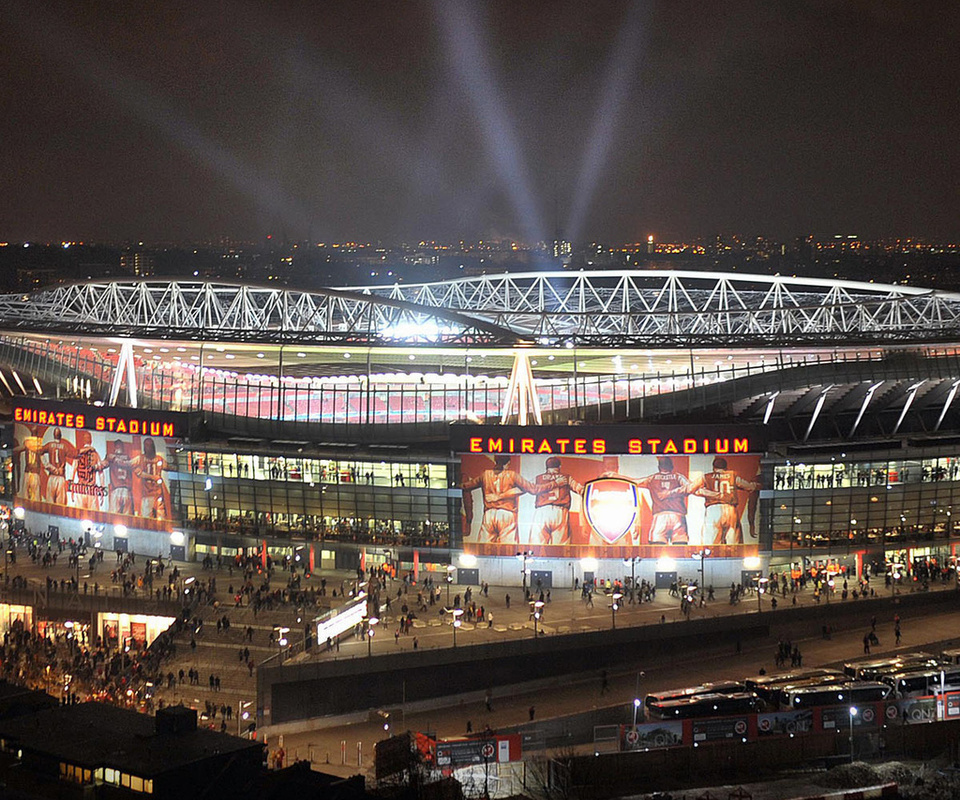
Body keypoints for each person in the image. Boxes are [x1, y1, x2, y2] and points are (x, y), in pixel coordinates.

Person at [606, 456, 693, 545]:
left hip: (660, 517)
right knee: (680, 548)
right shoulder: (678, 477)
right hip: (678, 517)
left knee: (657, 548)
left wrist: (617, 476)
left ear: (659, 467)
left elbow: (635, 482)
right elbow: (692, 488)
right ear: (672, 466)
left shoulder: (652, 479)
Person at [461, 455, 538, 544]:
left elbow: (466, 486)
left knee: (483, 549)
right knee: (508, 549)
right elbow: (530, 489)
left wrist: (455, 485)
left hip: (489, 515)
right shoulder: (512, 475)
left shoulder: (485, 474)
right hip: (507, 514)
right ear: (508, 463)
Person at [685, 457, 759, 545]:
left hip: (713, 510)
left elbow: (690, 489)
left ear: (713, 467)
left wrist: (705, 492)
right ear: (726, 467)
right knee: (734, 544)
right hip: (730, 509)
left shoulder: (706, 477)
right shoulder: (733, 476)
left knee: (711, 545)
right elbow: (750, 487)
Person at [531, 457, 583, 544]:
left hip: (542, 512)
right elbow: (580, 489)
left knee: (535, 547)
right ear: (559, 466)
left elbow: (527, 488)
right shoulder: (566, 478)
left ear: (546, 467)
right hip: (560, 512)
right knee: (560, 548)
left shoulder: (538, 478)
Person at [134, 438, 169, 519]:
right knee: (147, 521)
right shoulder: (140, 458)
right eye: (147, 445)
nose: (148, 448)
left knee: (161, 520)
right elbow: (131, 466)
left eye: (150, 445)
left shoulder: (159, 458)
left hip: (158, 494)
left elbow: (169, 467)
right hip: (147, 494)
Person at [41, 427, 73, 505]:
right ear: (61, 435)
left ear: (53, 435)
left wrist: (48, 466)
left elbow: (39, 452)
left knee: (49, 504)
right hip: (60, 477)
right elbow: (74, 454)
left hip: (52, 476)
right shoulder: (64, 447)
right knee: (60, 504)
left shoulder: (49, 445)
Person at [105, 440, 135, 514]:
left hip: (116, 489)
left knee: (113, 517)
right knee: (127, 518)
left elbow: (102, 465)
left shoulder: (111, 457)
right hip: (126, 490)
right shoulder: (128, 458)